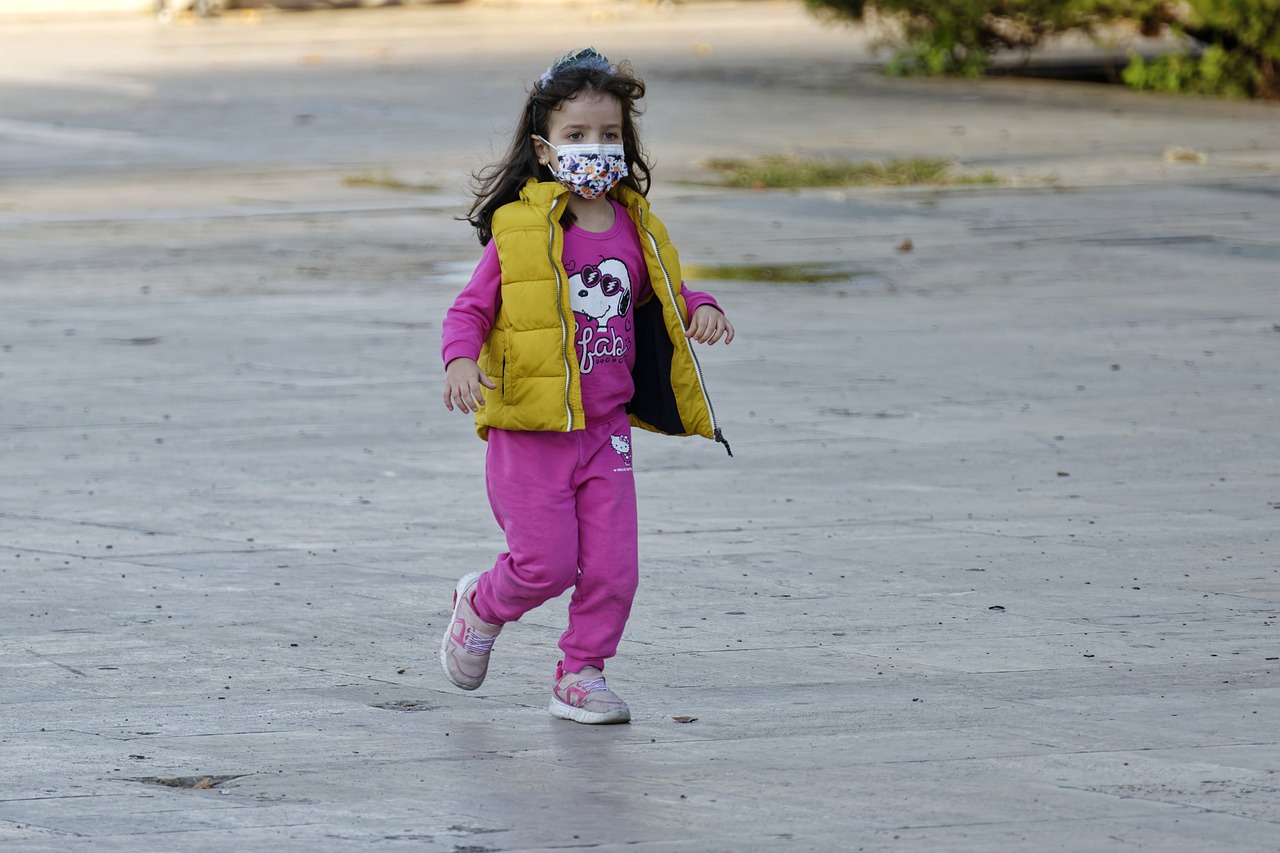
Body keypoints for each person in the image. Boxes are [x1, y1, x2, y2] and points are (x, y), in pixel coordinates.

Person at [439, 47, 734, 725]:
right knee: (544, 564)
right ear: (544, 150)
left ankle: (581, 672)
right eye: (576, 136)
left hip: (605, 432)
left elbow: (664, 289)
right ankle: (480, 606)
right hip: (530, 433)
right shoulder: (518, 230)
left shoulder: (635, 227)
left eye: (608, 136)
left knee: (611, 568)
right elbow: (471, 309)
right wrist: (460, 360)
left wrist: (701, 305)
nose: (594, 149)